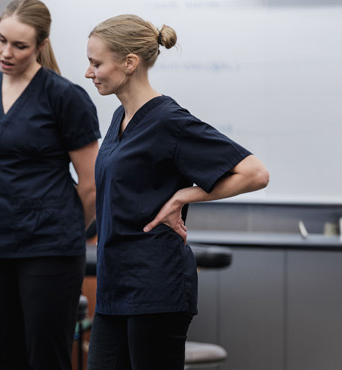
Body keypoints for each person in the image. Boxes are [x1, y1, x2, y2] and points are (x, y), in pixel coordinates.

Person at [83, 15, 271, 370]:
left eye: (96, 63)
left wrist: (185, 195)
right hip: (114, 289)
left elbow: (255, 173)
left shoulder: (169, 121)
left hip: (155, 289)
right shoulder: (119, 118)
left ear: (129, 63)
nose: (89, 72)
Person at [0, 1, 99, 369]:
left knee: (46, 357)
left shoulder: (65, 97)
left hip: (50, 248)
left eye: (20, 46)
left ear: (41, 45)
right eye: (1, 40)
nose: (6, 53)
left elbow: (91, 184)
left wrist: (63, 224)